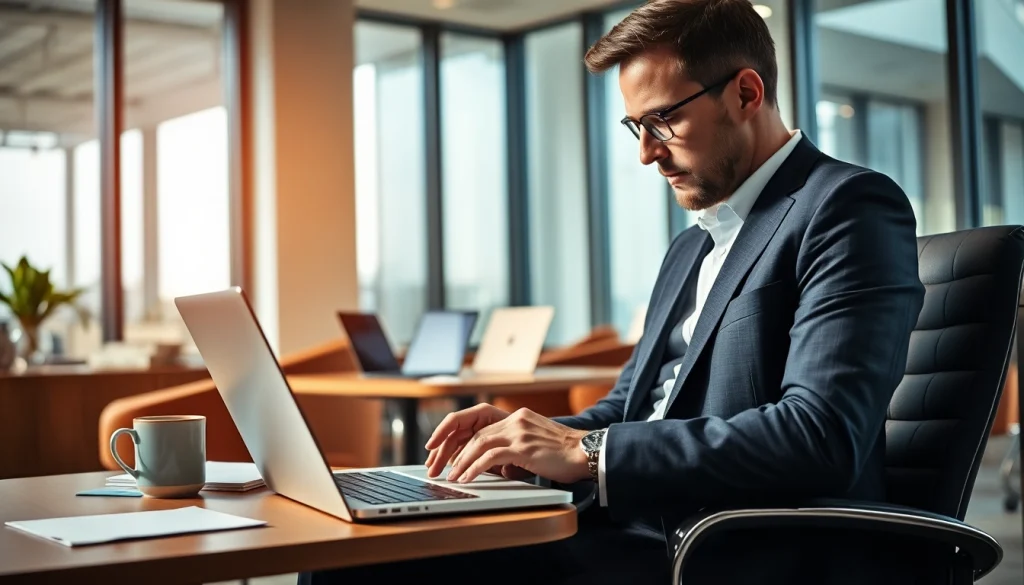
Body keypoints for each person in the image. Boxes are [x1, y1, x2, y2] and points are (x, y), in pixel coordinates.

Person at [302, 0, 926, 583]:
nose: (648, 154)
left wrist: (588, 452)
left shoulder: (845, 208)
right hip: (632, 524)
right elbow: (628, 410)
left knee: (362, 566)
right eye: (637, 127)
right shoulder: (691, 247)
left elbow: (820, 435)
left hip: (721, 549)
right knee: (354, 546)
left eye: (663, 119)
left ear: (745, 93)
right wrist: (524, 437)